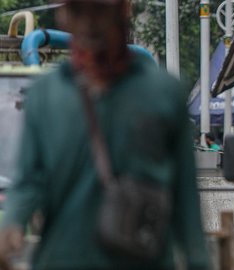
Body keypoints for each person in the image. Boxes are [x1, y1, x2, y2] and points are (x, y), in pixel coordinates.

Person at [0, 0, 209, 269]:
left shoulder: (164, 94)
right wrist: (13, 223)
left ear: (123, 10)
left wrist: (199, 262)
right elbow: (29, 181)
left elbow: (186, 202)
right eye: (78, 11)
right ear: (63, 15)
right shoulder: (45, 95)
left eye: (100, 9)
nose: (89, 22)